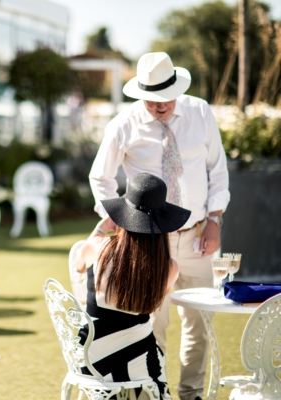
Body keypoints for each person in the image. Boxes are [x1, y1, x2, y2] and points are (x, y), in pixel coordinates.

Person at [88, 52, 230, 400]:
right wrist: (118, 218)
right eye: (149, 98)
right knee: (153, 325)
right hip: (150, 243)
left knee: (199, 324)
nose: (158, 104)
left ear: (176, 88)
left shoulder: (199, 112)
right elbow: (100, 177)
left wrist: (214, 220)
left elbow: (218, 170)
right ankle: (156, 391)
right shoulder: (123, 124)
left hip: (199, 236)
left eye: (164, 96)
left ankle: (191, 394)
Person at [77, 173, 189, 400]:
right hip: (140, 363)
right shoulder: (169, 268)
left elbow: (79, 264)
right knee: (154, 355)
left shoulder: (98, 247)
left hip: (90, 356)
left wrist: (101, 228)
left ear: (124, 216)